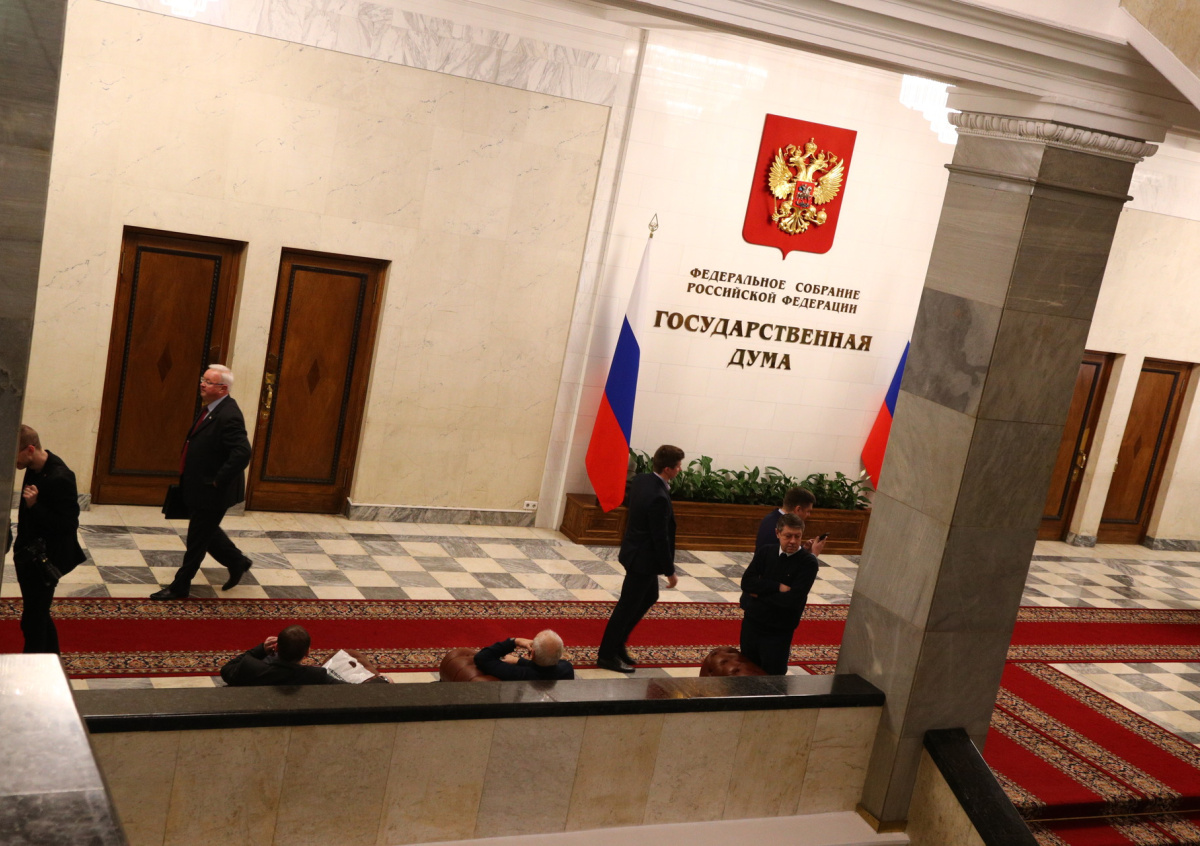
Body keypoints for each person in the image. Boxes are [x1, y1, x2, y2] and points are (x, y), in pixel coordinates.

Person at [151, 365, 253, 600]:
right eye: (203, 379)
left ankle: (180, 586)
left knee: (197, 539)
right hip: (199, 485)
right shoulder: (211, 408)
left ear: (223, 388)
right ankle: (237, 561)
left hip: (213, 491)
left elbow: (242, 453)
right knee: (205, 531)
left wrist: (218, 480)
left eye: (208, 382)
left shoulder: (229, 415)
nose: (202, 384)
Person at [596, 444, 684, 674]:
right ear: (667, 469)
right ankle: (606, 655)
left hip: (635, 552)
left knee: (649, 596)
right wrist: (670, 571)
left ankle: (618, 644)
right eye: (678, 466)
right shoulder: (658, 497)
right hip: (643, 560)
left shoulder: (642, 480)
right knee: (626, 607)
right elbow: (660, 537)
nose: (680, 469)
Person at [12, 424, 86, 654]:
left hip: (47, 561)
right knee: (38, 615)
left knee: (33, 621)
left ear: (29, 450)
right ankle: (53, 660)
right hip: (29, 555)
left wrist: (35, 506)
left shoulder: (61, 477)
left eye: (14, 453)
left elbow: (68, 525)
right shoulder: (32, 467)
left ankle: (32, 665)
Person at [739, 512, 826, 675]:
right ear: (777, 533)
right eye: (788, 536)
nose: (793, 541)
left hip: (778, 630)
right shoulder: (766, 552)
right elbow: (747, 583)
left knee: (773, 676)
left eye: (797, 536)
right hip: (752, 623)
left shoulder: (808, 563)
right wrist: (777, 586)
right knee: (747, 671)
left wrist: (759, 594)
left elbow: (791, 601)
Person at [220, 625, 349, 686]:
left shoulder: (251, 667)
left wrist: (260, 650)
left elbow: (226, 670)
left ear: (276, 648)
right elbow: (349, 690)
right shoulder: (316, 676)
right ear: (307, 653)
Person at [474, 630, 574, 681]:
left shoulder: (518, 674)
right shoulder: (567, 669)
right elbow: (544, 670)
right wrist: (519, 661)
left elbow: (482, 658)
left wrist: (515, 641)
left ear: (532, 654)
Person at [755, 486, 816, 550]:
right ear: (798, 509)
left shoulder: (770, 518)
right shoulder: (781, 525)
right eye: (808, 511)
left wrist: (803, 548)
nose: (809, 515)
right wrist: (813, 554)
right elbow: (780, 555)